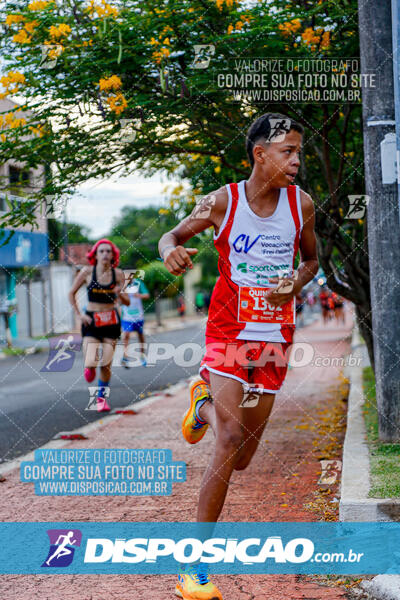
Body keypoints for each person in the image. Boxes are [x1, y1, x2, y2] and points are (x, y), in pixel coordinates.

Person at [159, 112, 319, 600]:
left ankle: (199, 401)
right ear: (260, 154)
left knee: (245, 457)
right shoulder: (222, 201)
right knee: (228, 437)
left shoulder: (302, 205)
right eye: (288, 151)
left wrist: (295, 280)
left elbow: (312, 261)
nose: (296, 160)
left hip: (274, 336)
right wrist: (169, 251)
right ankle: (194, 568)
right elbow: (172, 236)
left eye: (299, 151)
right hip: (228, 329)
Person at [68, 239, 129, 412]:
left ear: (113, 255)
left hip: (111, 320)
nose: (105, 254)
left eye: (108, 251)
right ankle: (89, 368)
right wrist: (80, 315)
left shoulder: (118, 274)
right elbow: (71, 293)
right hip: (92, 320)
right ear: (95, 254)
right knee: (91, 359)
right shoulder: (87, 272)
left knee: (106, 363)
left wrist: (120, 293)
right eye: (101, 251)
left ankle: (101, 399)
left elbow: (127, 301)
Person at [120, 273, 150, 367]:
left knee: (140, 335)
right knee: (126, 335)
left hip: (138, 315)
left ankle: (142, 355)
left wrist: (139, 295)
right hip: (126, 316)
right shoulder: (121, 285)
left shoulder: (138, 283)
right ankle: (125, 357)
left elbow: (147, 295)